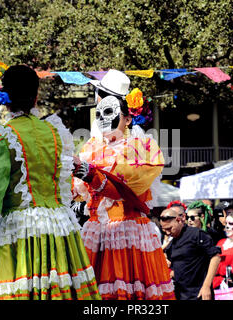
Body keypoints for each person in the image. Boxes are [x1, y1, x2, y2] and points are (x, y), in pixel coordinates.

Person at [0, 65, 100, 300]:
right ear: (36, 96)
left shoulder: (0, 137)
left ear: (7, 98)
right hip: (61, 229)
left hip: (19, 231)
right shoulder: (56, 133)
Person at [72, 70, 174, 300]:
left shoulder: (143, 148)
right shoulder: (91, 147)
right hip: (96, 231)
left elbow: (125, 189)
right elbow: (76, 191)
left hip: (127, 232)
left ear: (127, 118)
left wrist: (88, 174)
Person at [160, 208, 221, 300]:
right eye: (164, 230)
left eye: (169, 228)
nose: (168, 232)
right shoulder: (171, 244)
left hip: (199, 293)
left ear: (178, 220)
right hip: (181, 294)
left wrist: (206, 286)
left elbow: (216, 257)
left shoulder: (196, 234)